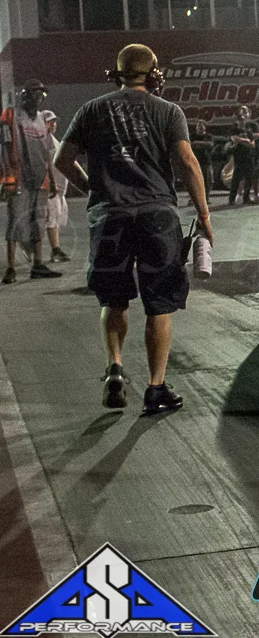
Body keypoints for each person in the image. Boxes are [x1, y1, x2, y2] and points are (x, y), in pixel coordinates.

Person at [54, 43, 213, 415]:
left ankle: (115, 367)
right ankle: (156, 389)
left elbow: (62, 159)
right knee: (159, 306)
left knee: (114, 300)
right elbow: (187, 162)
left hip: (110, 217)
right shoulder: (168, 111)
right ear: (154, 74)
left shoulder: (92, 109)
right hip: (158, 216)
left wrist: (92, 188)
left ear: (117, 74)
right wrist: (204, 216)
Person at [3, 81, 62, 283]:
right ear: (24, 95)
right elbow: (4, 147)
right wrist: (7, 177)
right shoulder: (10, 116)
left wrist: (51, 180)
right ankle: (11, 268)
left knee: (38, 221)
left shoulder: (42, 120)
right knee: (16, 221)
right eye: (34, 93)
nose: (37, 98)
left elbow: (46, 154)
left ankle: (38, 264)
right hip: (19, 178)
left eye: (41, 95)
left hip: (40, 178)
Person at [41, 110, 71, 262]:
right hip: (51, 188)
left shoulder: (53, 140)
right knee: (51, 219)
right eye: (50, 122)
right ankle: (55, 250)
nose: (53, 124)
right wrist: (51, 184)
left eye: (54, 121)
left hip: (59, 189)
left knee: (56, 219)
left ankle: (30, 245)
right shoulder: (43, 141)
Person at [227, 105, 259, 205]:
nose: (242, 120)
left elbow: (252, 144)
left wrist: (240, 140)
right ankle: (231, 199)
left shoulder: (249, 131)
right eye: (240, 119)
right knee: (236, 179)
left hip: (249, 156)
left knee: (249, 178)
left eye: (244, 119)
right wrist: (245, 141)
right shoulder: (234, 129)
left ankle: (246, 198)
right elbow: (233, 139)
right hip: (239, 157)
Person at [189, 120, 215, 194]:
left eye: (201, 126)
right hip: (195, 161)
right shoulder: (192, 136)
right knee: (194, 181)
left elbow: (210, 144)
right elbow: (190, 144)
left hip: (206, 162)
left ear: (205, 127)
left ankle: (206, 198)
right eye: (198, 126)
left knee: (207, 182)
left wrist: (197, 143)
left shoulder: (209, 136)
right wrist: (203, 144)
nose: (200, 127)